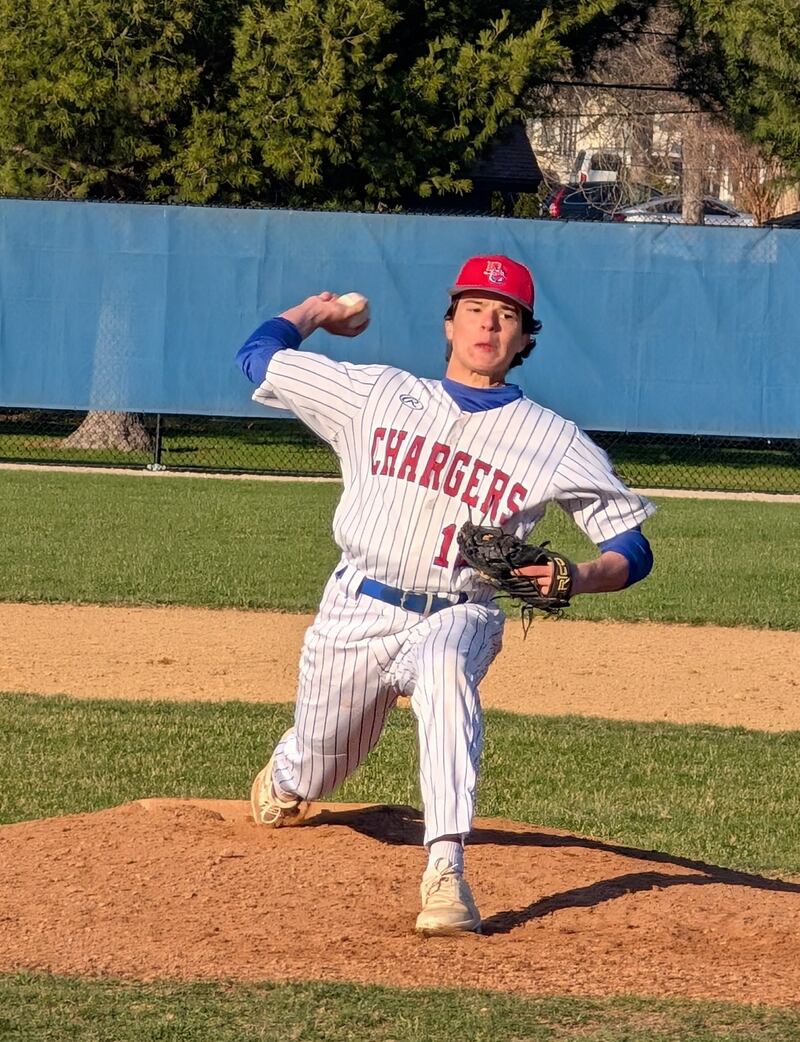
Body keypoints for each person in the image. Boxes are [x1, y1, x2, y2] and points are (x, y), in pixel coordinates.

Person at [235, 254, 655, 936]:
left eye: (508, 314)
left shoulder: (553, 439)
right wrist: (317, 312)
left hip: (461, 610)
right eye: (476, 308)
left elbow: (633, 546)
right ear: (450, 323)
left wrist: (579, 575)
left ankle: (446, 872)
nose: (490, 322)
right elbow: (258, 356)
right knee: (317, 763)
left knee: (444, 671)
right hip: (357, 608)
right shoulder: (376, 394)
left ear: (524, 340)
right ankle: (286, 780)